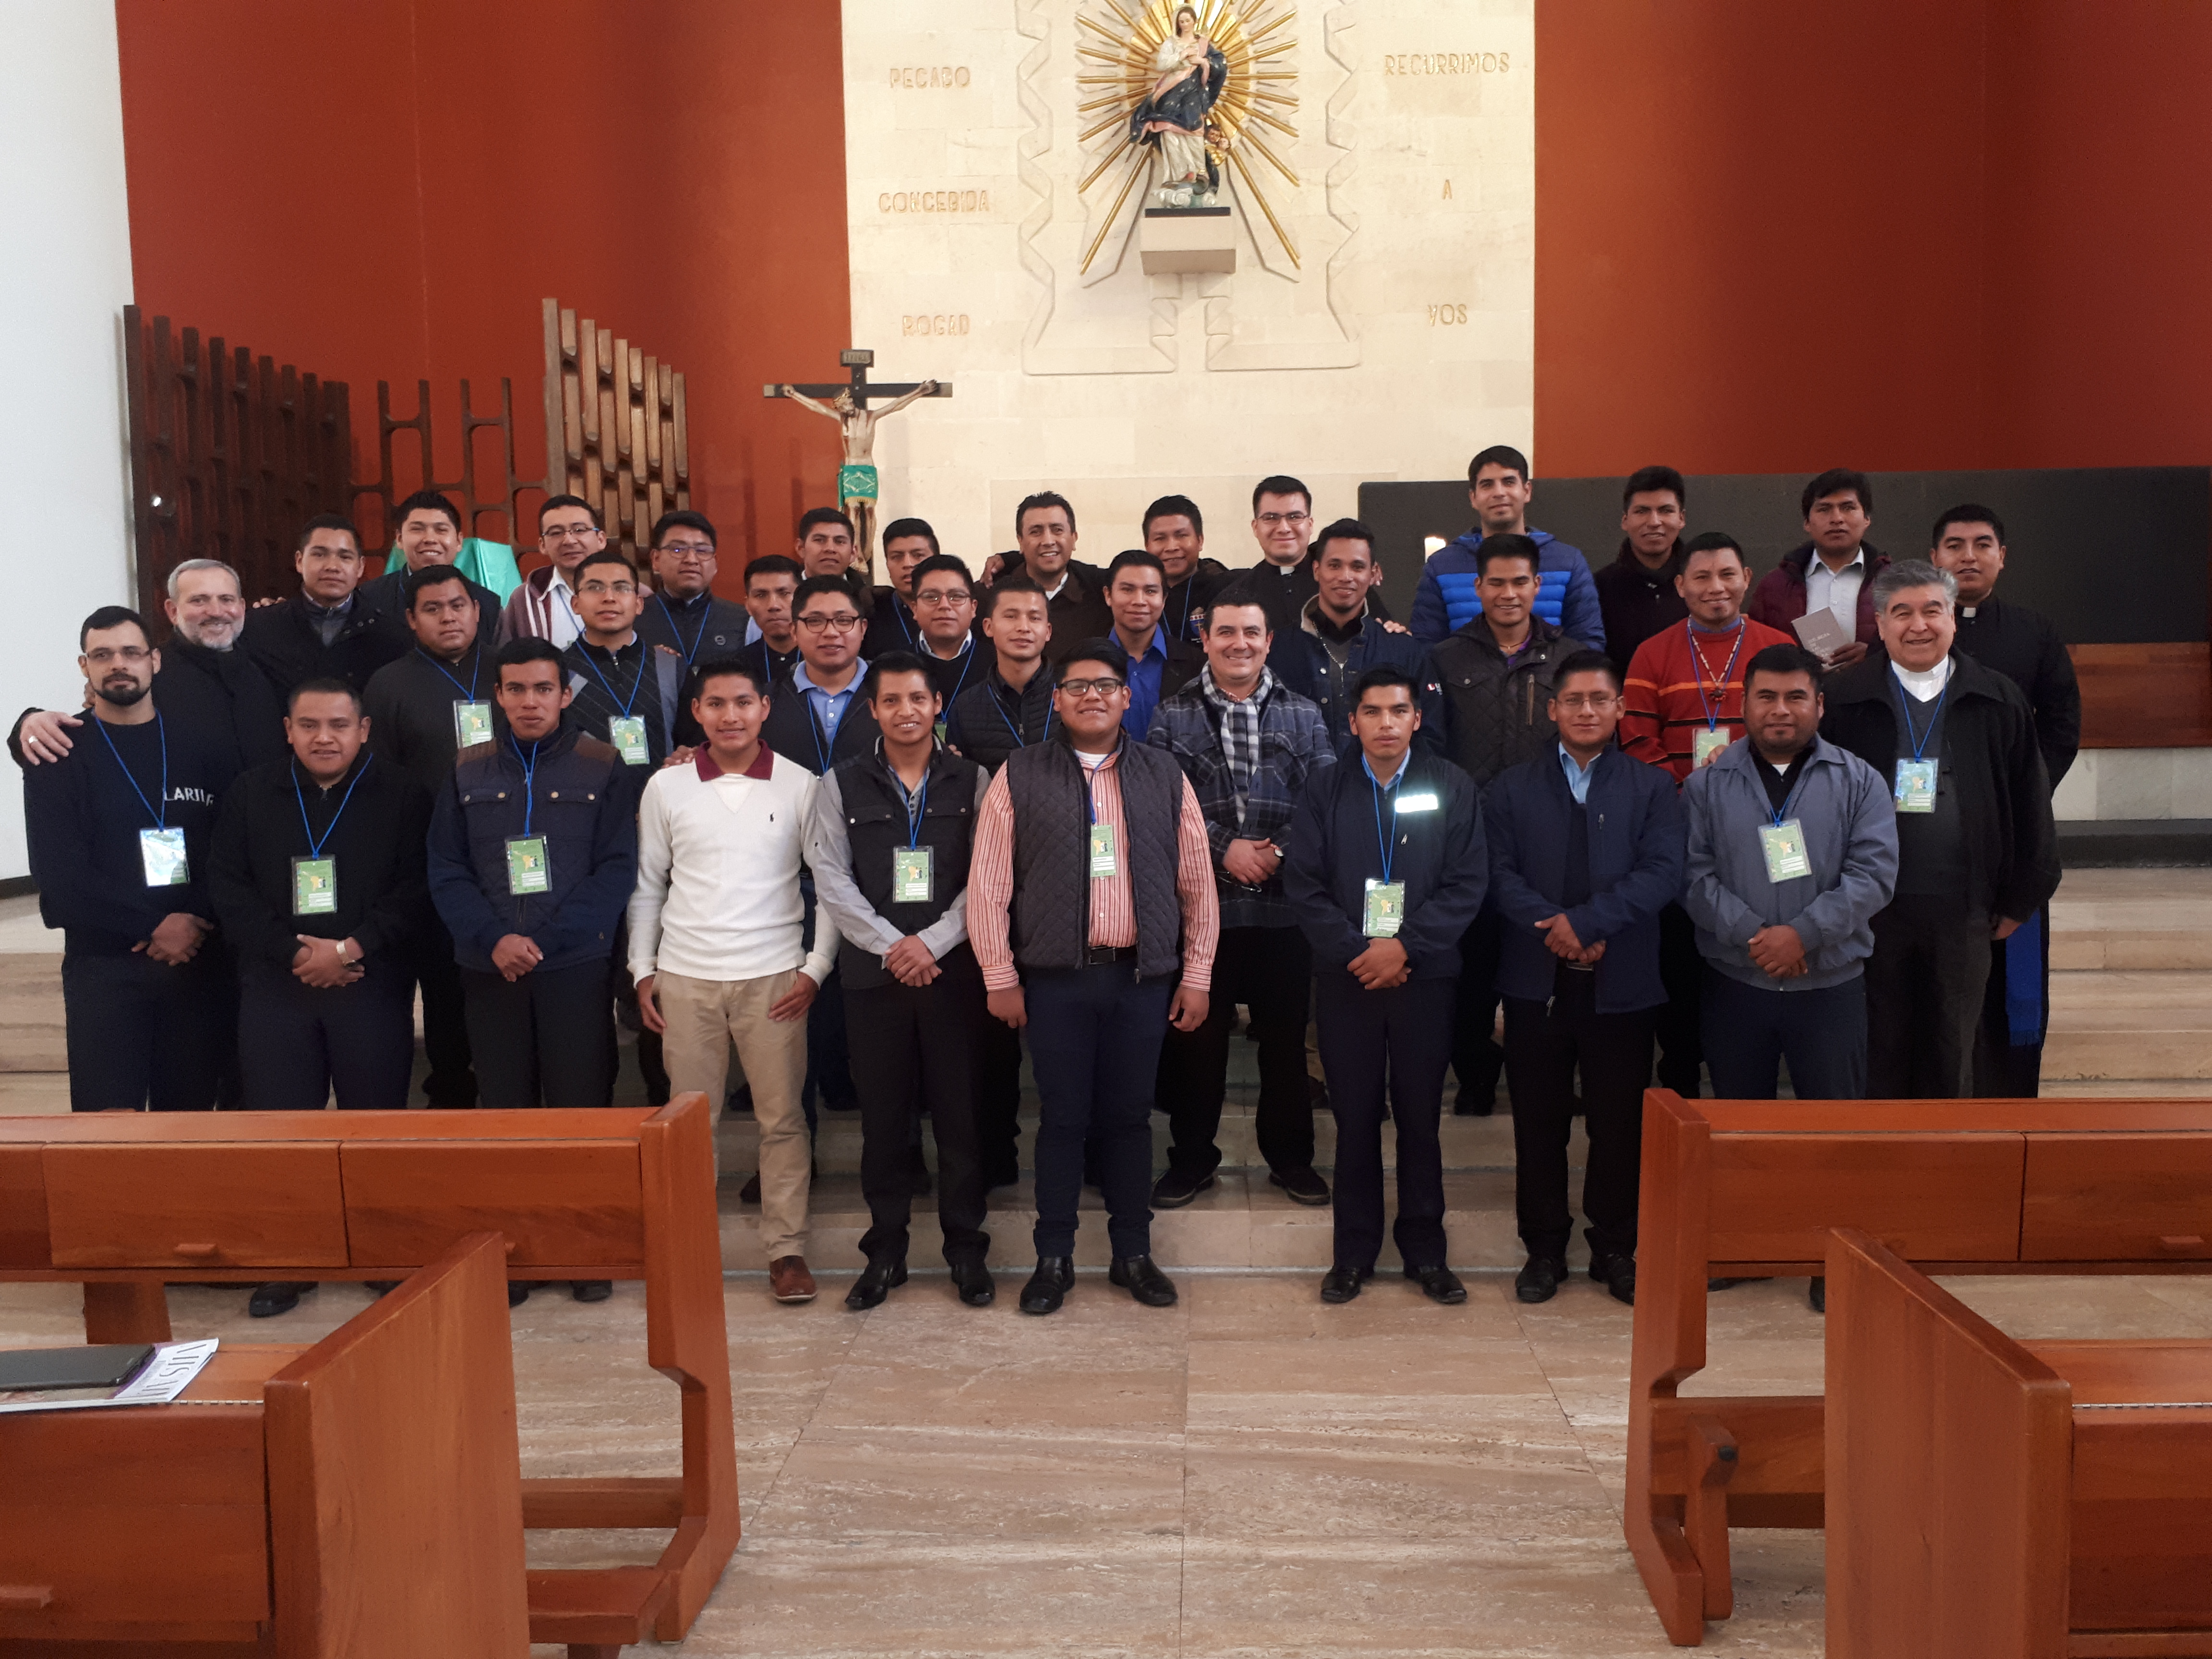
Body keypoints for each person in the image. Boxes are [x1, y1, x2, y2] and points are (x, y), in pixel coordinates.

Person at [968, 640, 1218, 1315]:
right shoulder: (1019, 773)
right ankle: (1053, 1258)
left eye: (1105, 685)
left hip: (1140, 980)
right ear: (1057, 700)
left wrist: (1197, 974)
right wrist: (999, 975)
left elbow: (1197, 882)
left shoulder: (1164, 773)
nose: (1092, 697)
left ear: (1126, 697)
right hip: (1056, 983)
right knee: (1062, 1121)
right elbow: (988, 886)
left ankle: (1133, 1253)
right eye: (1077, 686)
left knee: (1131, 1121)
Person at [631, 657, 839, 1305]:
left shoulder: (801, 785)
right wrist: (643, 970)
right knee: (693, 1123)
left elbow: (830, 886)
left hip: (774, 977)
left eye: (743, 702)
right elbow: (648, 885)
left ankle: (787, 1251)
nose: (730, 716)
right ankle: (689, 1249)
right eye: (716, 704)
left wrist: (815, 968)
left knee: (782, 1120)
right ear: (696, 712)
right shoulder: (666, 787)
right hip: (687, 976)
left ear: (764, 709)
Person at [1484, 651, 1684, 1306]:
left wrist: (1591, 923)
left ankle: (1615, 1247)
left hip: (1622, 982)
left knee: (1618, 1124)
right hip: (1535, 982)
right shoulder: (1511, 788)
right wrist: (1557, 928)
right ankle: (1544, 1249)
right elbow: (1497, 873)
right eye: (1573, 700)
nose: (1587, 710)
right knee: (1537, 1123)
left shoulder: (1653, 788)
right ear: (1553, 709)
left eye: (1600, 699)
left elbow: (1663, 872)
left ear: (1620, 708)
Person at [1819, 561, 2061, 1100]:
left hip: (1966, 911)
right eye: (1902, 613)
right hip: (1869, 912)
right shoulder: (1843, 699)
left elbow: (2031, 805)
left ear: (1953, 619)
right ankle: (1881, 1151)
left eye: (1933, 610)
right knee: (1878, 1046)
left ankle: (1947, 1149)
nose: (1919, 625)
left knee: (1955, 1047)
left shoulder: (1997, 698)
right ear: (1880, 624)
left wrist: (2020, 901)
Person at [1284, 666, 1486, 1306]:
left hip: (1425, 977)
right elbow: (1305, 885)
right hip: (1348, 980)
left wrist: (1405, 947)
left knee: (1421, 1119)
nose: (1386, 724)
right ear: (1353, 722)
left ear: (1417, 719)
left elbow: (1467, 882)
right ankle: (1353, 1254)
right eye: (1372, 712)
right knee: (1355, 1118)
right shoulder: (1325, 787)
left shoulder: (1451, 784)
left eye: (1398, 711)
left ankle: (1427, 1253)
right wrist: (1359, 952)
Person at [809, 652, 996, 1310]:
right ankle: (885, 1254)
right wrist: (894, 948)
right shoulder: (839, 783)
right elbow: (831, 877)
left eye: (918, 699)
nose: (906, 711)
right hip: (875, 978)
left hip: (953, 975)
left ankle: (966, 1251)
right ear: (874, 710)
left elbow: (988, 875)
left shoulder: (974, 779)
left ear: (937, 705)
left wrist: (932, 942)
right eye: (891, 701)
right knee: (884, 1124)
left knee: (960, 1121)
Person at [1146, 581, 1335, 1206]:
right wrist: (1225, 847)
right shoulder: (1171, 715)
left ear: (1269, 641)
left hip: (1285, 911)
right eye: (1225, 631)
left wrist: (1277, 852)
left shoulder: (1304, 713)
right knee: (1196, 1045)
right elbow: (1162, 804)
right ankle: (1192, 1160)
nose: (1239, 643)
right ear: (1205, 639)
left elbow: (1324, 801)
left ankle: (1292, 1159)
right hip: (1205, 912)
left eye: (1251, 632)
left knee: (1285, 1045)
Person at [427, 636, 639, 1130]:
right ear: (499, 696)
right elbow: (446, 866)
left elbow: (617, 867)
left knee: (582, 1107)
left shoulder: (603, 764)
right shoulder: (466, 767)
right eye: (516, 689)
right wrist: (495, 939)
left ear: (565, 695)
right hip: (490, 965)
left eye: (543, 689)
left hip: (574, 964)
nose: (530, 702)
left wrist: (545, 943)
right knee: (505, 1111)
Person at [24, 607, 229, 1112]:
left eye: (131, 652)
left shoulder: (200, 746)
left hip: (194, 964)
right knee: (106, 1125)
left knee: (189, 1122)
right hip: (104, 968)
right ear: (84, 666)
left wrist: (193, 921)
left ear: (154, 661)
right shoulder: (60, 753)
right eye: (103, 655)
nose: (119, 664)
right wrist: (153, 925)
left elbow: (227, 855)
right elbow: (60, 878)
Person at [1683, 644, 1897, 1104]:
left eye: (1795, 697)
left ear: (1819, 704)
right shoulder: (1705, 786)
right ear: (1744, 703)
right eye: (1766, 696)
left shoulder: (1861, 781)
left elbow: (1873, 875)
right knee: (1741, 1127)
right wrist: (1756, 937)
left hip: (1830, 987)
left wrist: (1803, 935)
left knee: (1834, 1130)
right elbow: (1693, 877)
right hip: (1736, 985)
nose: (1780, 710)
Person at [209, 675, 431, 1119]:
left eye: (339, 725)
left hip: (370, 984)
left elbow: (417, 887)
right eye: (309, 725)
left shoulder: (404, 793)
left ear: (363, 730)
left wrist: (351, 949)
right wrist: (293, 953)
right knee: (283, 1133)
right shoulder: (250, 793)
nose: (324, 738)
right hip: (276, 986)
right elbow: (229, 887)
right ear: (288, 730)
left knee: (374, 1129)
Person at [1620, 531, 1792, 1097]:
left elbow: (1792, 734)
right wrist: (1691, 794)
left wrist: (1740, 791)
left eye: (1726, 575)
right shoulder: (1652, 653)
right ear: (1680, 586)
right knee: (1679, 959)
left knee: (1747, 946)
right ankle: (1679, 1078)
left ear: (1747, 579)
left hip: (1759, 828)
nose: (1715, 588)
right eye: (1701, 577)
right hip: (1675, 830)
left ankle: (1745, 1075)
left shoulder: (1775, 647)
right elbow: (1637, 740)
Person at [1432, 533, 1594, 1118]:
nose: (1508, 593)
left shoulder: (1569, 657)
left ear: (1537, 586)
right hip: (1468, 837)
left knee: (1547, 963)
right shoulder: (1445, 657)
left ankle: (1553, 1081)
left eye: (1520, 582)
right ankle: (1476, 1079)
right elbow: (1432, 748)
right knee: (1472, 969)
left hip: (1548, 836)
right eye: (1496, 582)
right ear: (1478, 587)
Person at [1931, 503, 2081, 1098]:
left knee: (2009, 984)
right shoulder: (1913, 631)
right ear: (1935, 557)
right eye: (1955, 545)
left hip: (2014, 831)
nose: (1968, 556)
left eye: (1982, 544)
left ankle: (2011, 1103)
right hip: (1931, 834)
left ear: (2002, 556)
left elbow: (2062, 722)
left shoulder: (2033, 631)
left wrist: (2026, 794)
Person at [360, 562, 498, 1106]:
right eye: (433, 609)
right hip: (430, 860)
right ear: (412, 620)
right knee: (443, 983)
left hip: (507, 855)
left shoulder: (509, 670)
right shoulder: (389, 683)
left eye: (458, 605)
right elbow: (380, 781)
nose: (448, 617)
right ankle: (452, 1088)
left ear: (477, 611)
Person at [944, 576, 1055, 1187]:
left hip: (1064, 884)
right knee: (992, 1039)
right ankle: (997, 1156)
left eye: (1034, 616)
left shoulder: (1072, 696)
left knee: (1063, 1036)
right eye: (1010, 616)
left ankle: (1076, 1155)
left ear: (1048, 630)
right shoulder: (965, 708)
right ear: (986, 627)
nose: (1022, 626)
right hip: (993, 885)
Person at [14, 558, 283, 783]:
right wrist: (29, 723)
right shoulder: (146, 672)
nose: (216, 611)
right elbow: (97, 734)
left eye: (226, 599)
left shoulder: (271, 664)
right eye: (199, 601)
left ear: (242, 607)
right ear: (173, 611)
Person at [1267, 518, 1442, 758]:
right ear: (1317, 570)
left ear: (1373, 573)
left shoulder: (1403, 651)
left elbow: (1430, 736)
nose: (1346, 576)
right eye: (1335, 565)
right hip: (1300, 781)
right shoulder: (1278, 650)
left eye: (1358, 567)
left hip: (1383, 780)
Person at [1409, 446, 1605, 652]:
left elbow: (1588, 644)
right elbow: (1426, 647)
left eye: (1509, 482)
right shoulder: (1441, 566)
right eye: (1487, 485)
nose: (1499, 493)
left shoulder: (1568, 562)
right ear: (1473, 498)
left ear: (1527, 491)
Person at [239, 514, 409, 697]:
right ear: (299, 561)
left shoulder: (390, 637)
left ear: (360, 567)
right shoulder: (260, 628)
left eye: (345, 557)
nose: (332, 567)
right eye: (319, 555)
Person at [1748, 468, 1890, 665]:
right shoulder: (1774, 586)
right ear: (1807, 523)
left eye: (1848, 508)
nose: (1837, 519)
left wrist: (1875, 655)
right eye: (1824, 509)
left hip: (1872, 683)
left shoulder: (1894, 582)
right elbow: (1755, 648)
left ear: (1867, 519)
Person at [561, 551, 685, 768]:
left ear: (638, 604)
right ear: (576, 604)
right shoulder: (557, 669)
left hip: (660, 787)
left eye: (621, 588)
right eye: (595, 588)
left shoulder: (671, 667)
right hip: (583, 788)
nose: (609, 597)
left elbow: (693, 743)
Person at [761, 575, 883, 772]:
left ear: (863, 629)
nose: (831, 632)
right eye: (815, 621)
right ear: (794, 631)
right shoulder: (767, 700)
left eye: (843, 621)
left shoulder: (892, 695)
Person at [358, 490, 501, 644]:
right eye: (417, 529)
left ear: (459, 541)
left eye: (441, 530)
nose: (430, 539)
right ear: (399, 539)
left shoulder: (488, 603)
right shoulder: (368, 599)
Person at [1594, 465, 1689, 674]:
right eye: (1642, 511)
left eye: (1666, 511)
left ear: (1681, 518)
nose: (1654, 522)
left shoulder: (1700, 585)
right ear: (1625, 520)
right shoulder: (1599, 588)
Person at [636, 509, 750, 678]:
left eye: (702, 551)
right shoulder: (634, 618)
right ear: (656, 560)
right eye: (678, 550)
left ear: (715, 564)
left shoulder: (743, 620)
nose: (691, 559)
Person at [997, 491, 1110, 657]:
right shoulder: (993, 594)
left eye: (1057, 530)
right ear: (1020, 541)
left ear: (1074, 538)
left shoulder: (1100, 593)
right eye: (1036, 532)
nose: (1048, 541)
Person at [1104, 548, 1203, 737]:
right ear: (1108, 595)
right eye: (1128, 590)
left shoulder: (1196, 666)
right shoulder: (1085, 663)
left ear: (1164, 599)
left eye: (1150, 591)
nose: (1139, 601)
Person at [497, 493, 604, 648]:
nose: (569, 541)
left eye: (579, 530)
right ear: (543, 545)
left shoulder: (631, 592)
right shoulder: (524, 599)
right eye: (556, 533)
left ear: (601, 539)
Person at [902, 553, 987, 711]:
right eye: (931, 597)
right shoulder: (896, 666)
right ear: (915, 609)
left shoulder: (998, 664)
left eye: (956, 596)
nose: (944, 605)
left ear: (973, 608)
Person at [1143, 493, 1228, 641]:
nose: (1171, 547)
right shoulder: (1137, 594)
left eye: (1181, 535)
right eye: (1160, 538)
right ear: (1147, 546)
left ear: (1200, 540)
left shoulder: (1226, 588)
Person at [1245, 474, 1322, 634]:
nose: (1284, 528)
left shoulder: (1341, 585)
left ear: (1310, 525)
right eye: (1271, 518)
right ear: (1256, 527)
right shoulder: (1241, 595)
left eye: (1294, 517)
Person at [861, 517, 944, 661]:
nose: (908, 564)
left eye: (918, 555)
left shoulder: (958, 609)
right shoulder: (870, 613)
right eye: (897, 557)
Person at [737, 553, 805, 689]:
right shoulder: (735, 668)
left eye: (784, 593)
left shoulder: (825, 660)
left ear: (803, 600)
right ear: (748, 606)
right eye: (761, 595)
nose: (773, 605)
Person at [794, 506, 864, 579]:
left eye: (840, 542)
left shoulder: (865, 587)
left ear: (853, 553)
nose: (830, 549)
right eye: (819, 540)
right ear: (801, 548)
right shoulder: (789, 585)